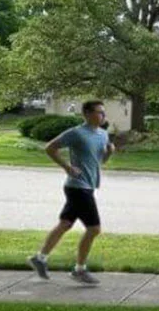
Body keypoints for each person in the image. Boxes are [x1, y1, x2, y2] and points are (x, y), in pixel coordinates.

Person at [27, 100, 115, 284]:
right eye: (99, 112)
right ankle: (80, 270)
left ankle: (40, 258)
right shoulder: (76, 133)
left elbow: (100, 161)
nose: (103, 116)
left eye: (103, 113)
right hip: (77, 187)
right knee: (94, 229)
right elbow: (50, 148)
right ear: (87, 114)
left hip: (88, 186)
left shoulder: (103, 135)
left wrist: (109, 152)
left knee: (65, 224)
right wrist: (67, 167)